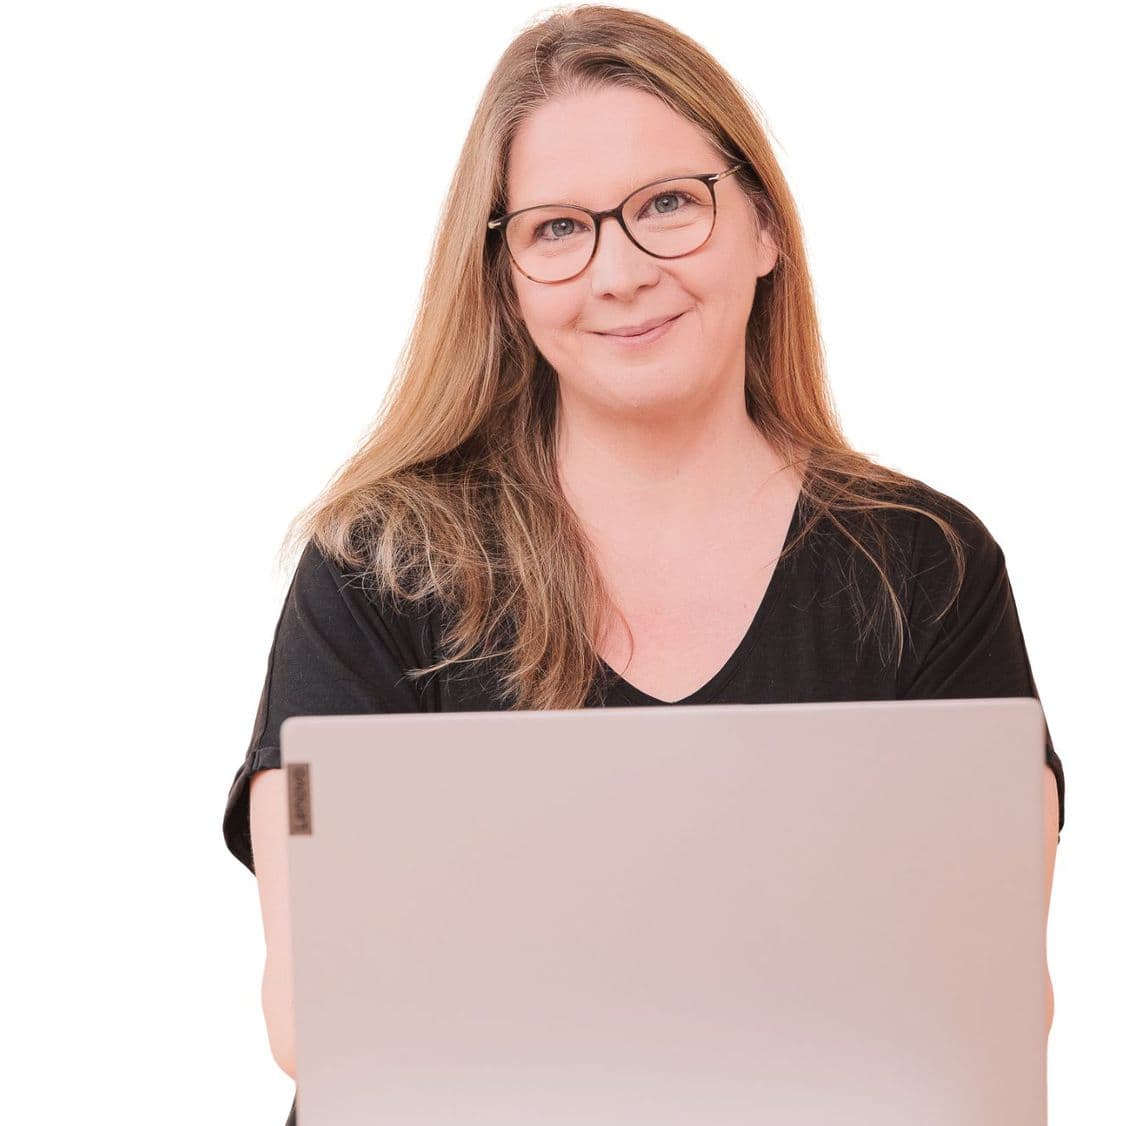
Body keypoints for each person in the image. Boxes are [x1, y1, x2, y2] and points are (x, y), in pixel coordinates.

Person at [221, 6, 1065, 1121]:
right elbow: (319, 1024)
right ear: (506, 278)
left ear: (764, 228)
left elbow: (986, 1013)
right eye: (557, 228)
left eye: (668, 204)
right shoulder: (381, 567)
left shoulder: (926, 568)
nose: (618, 271)